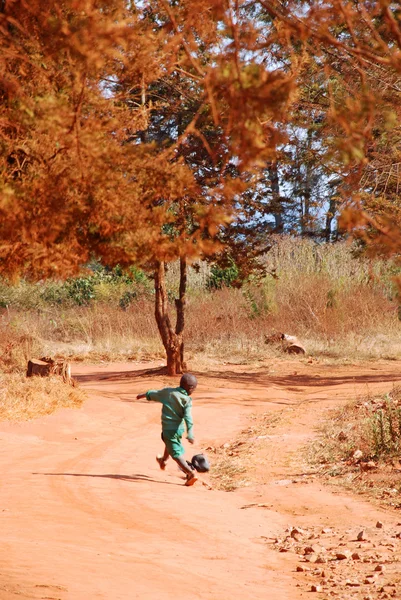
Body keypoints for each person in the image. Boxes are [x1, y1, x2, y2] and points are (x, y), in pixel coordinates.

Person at [136, 373, 198, 486]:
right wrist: (190, 433)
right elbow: (188, 418)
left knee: (175, 453)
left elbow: (154, 393)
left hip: (169, 429)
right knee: (167, 441)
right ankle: (163, 460)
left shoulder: (168, 392)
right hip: (178, 429)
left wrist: (143, 395)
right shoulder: (187, 400)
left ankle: (191, 473)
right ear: (191, 388)